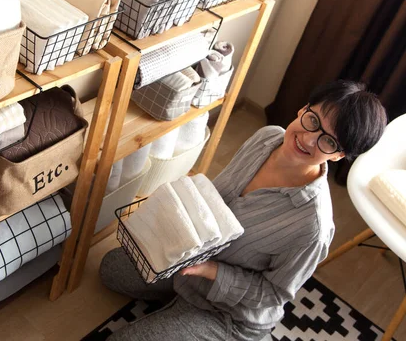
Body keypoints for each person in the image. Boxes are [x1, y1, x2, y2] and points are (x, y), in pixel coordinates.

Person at [99, 80, 387, 340]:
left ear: (338, 155)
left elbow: (273, 293)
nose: (309, 139)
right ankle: (175, 310)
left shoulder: (313, 227)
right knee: (110, 268)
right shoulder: (267, 137)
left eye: (329, 141)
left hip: (228, 314)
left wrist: (211, 270)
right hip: (187, 264)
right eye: (313, 120)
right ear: (303, 109)